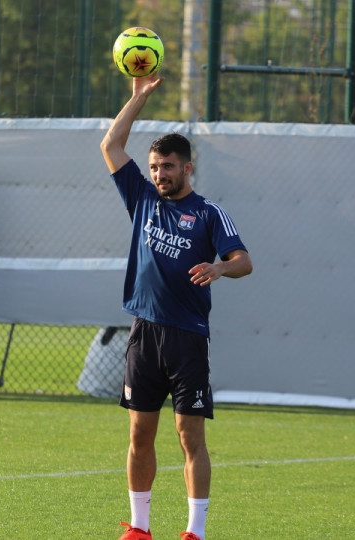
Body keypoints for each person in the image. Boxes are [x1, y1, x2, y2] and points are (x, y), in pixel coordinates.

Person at [100, 74, 252, 540]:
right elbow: (110, 144)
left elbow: (244, 262)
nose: (158, 174)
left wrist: (219, 269)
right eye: (154, 167)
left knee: (190, 436)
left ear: (188, 169)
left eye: (167, 166)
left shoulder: (208, 213)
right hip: (144, 333)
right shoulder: (142, 199)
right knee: (139, 435)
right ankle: (140, 528)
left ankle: (194, 532)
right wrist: (137, 98)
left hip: (187, 337)